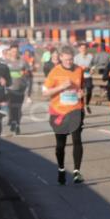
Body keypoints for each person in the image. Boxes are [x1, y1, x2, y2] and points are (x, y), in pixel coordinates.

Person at [43, 46, 85, 184]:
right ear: (60, 57)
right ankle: (61, 169)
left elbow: (81, 88)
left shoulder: (79, 70)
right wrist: (61, 87)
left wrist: (80, 94)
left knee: (77, 139)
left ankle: (76, 172)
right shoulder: (54, 72)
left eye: (71, 59)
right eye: (66, 59)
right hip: (58, 112)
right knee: (60, 145)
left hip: (75, 110)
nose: (69, 62)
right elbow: (45, 92)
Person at [3, 46, 32, 135]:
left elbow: (29, 73)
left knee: (18, 108)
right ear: (10, 52)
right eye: (13, 51)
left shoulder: (23, 62)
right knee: (11, 107)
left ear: (18, 52)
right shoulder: (5, 62)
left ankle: (17, 124)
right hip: (9, 89)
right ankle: (12, 121)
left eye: (16, 51)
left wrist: (25, 73)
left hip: (20, 88)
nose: (14, 53)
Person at [73, 42, 95, 115]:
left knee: (89, 90)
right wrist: (81, 68)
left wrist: (92, 69)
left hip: (88, 76)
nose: (83, 49)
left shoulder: (90, 56)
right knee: (81, 92)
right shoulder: (76, 57)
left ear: (86, 49)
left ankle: (87, 104)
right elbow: (74, 67)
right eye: (82, 48)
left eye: (84, 48)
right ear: (79, 49)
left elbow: (93, 65)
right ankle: (82, 106)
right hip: (80, 77)